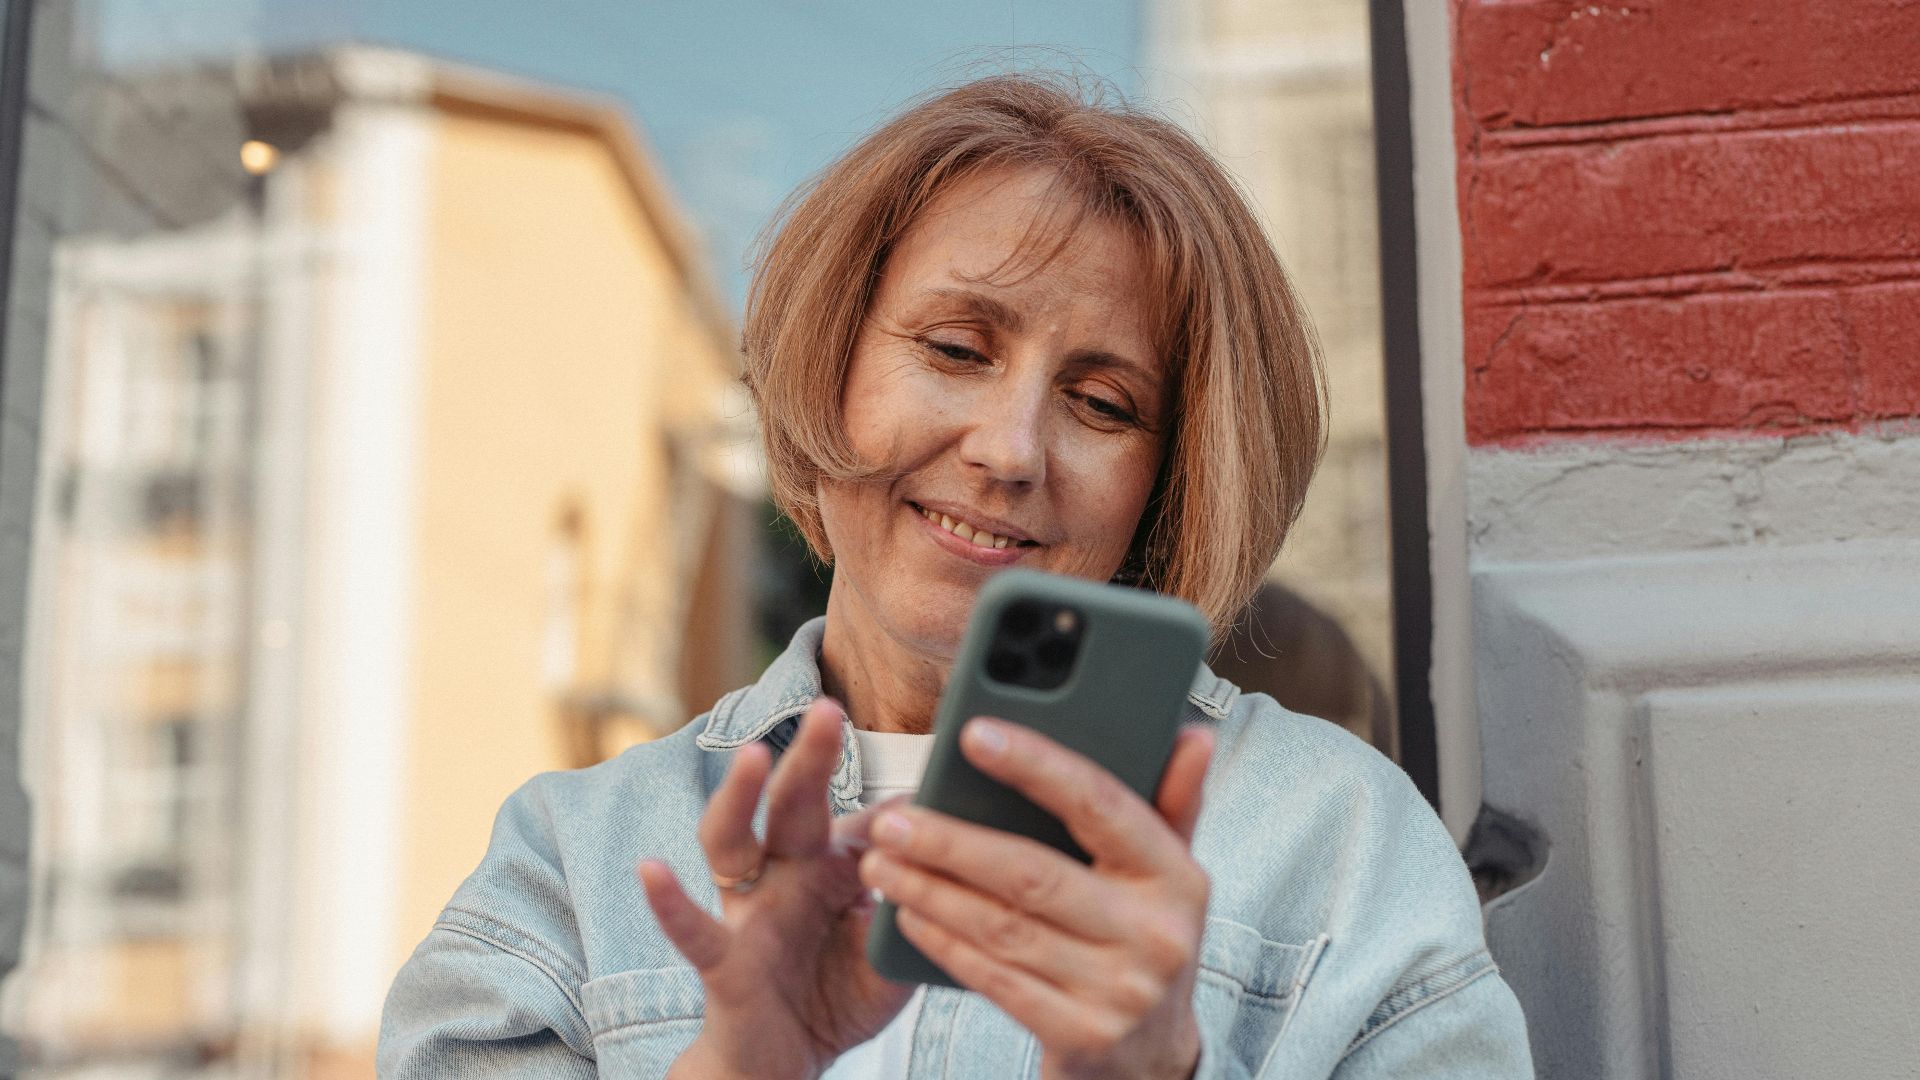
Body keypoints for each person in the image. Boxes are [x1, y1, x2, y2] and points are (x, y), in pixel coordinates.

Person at [379, 73, 1533, 1079]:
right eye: (955, 350)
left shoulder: (1339, 846)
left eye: (1102, 403)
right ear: (828, 368)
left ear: (1167, 483)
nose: (1010, 448)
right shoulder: (576, 863)